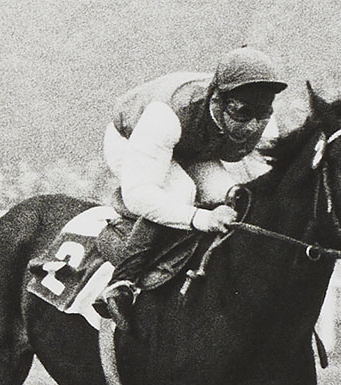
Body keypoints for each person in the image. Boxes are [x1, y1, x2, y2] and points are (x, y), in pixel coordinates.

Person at [93, 47, 287, 332]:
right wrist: (202, 218)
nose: (252, 126)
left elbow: (268, 189)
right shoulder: (166, 115)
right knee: (181, 191)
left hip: (194, 147)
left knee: (233, 194)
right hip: (132, 137)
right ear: (218, 100)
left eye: (263, 113)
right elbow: (139, 194)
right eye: (243, 112)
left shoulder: (264, 127)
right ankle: (123, 282)